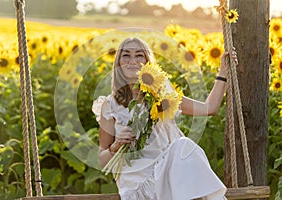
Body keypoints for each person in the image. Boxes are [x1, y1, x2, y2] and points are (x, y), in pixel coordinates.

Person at [92, 37, 238, 200]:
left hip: (168, 172)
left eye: (139, 55)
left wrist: (223, 72)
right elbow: (102, 161)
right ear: (118, 63)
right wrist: (116, 145)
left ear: (147, 62)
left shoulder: (163, 95)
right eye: (126, 55)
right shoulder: (109, 106)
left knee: (184, 146)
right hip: (138, 184)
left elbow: (208, 109)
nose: (132, 61)